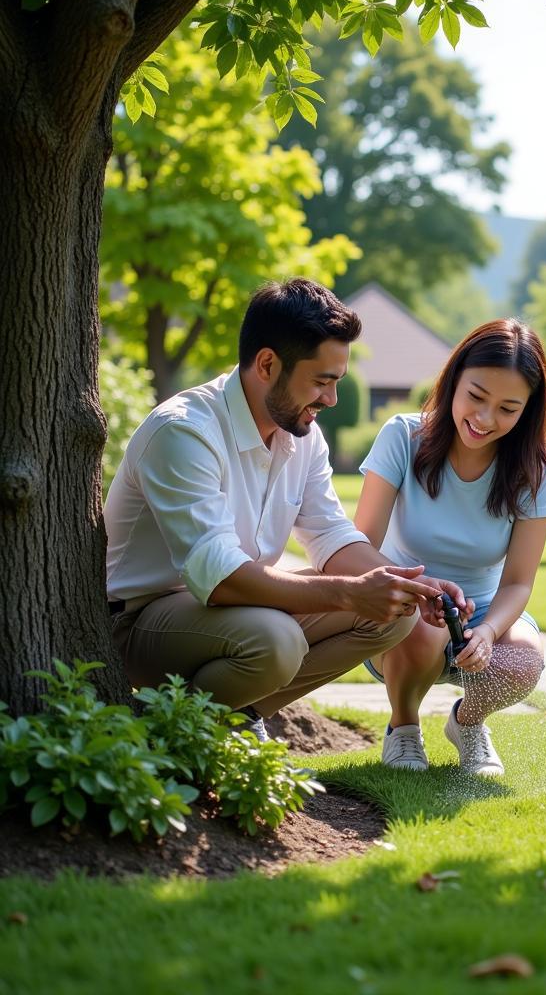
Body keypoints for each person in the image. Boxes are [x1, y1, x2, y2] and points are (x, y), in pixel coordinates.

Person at [104, 278, 460, 742]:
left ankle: (234, 717)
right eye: (321, 381)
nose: (331, 399)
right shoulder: (184, 432)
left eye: (337, 382)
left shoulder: (302, 436)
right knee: (276, 640)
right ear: (268, 364)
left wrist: (411, 584)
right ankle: (171, 731)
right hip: (138, 622)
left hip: (225, 610)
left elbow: (331, 535)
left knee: (395, 611)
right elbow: (220, 576)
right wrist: (350, 594)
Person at [354, 319, 546, 776]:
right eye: (476, 397)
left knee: (522, 663)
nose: (485, 419)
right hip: (403, 608)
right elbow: (360, 544)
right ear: (453, 381)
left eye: (508, 408)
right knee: (423, 629)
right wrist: (419, 591)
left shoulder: (535, 471)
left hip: (484, 609)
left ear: (528, 411)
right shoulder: (402, 437)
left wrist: (489, 631)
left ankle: (468, 724)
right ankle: (403, 727)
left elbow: (518, 582)